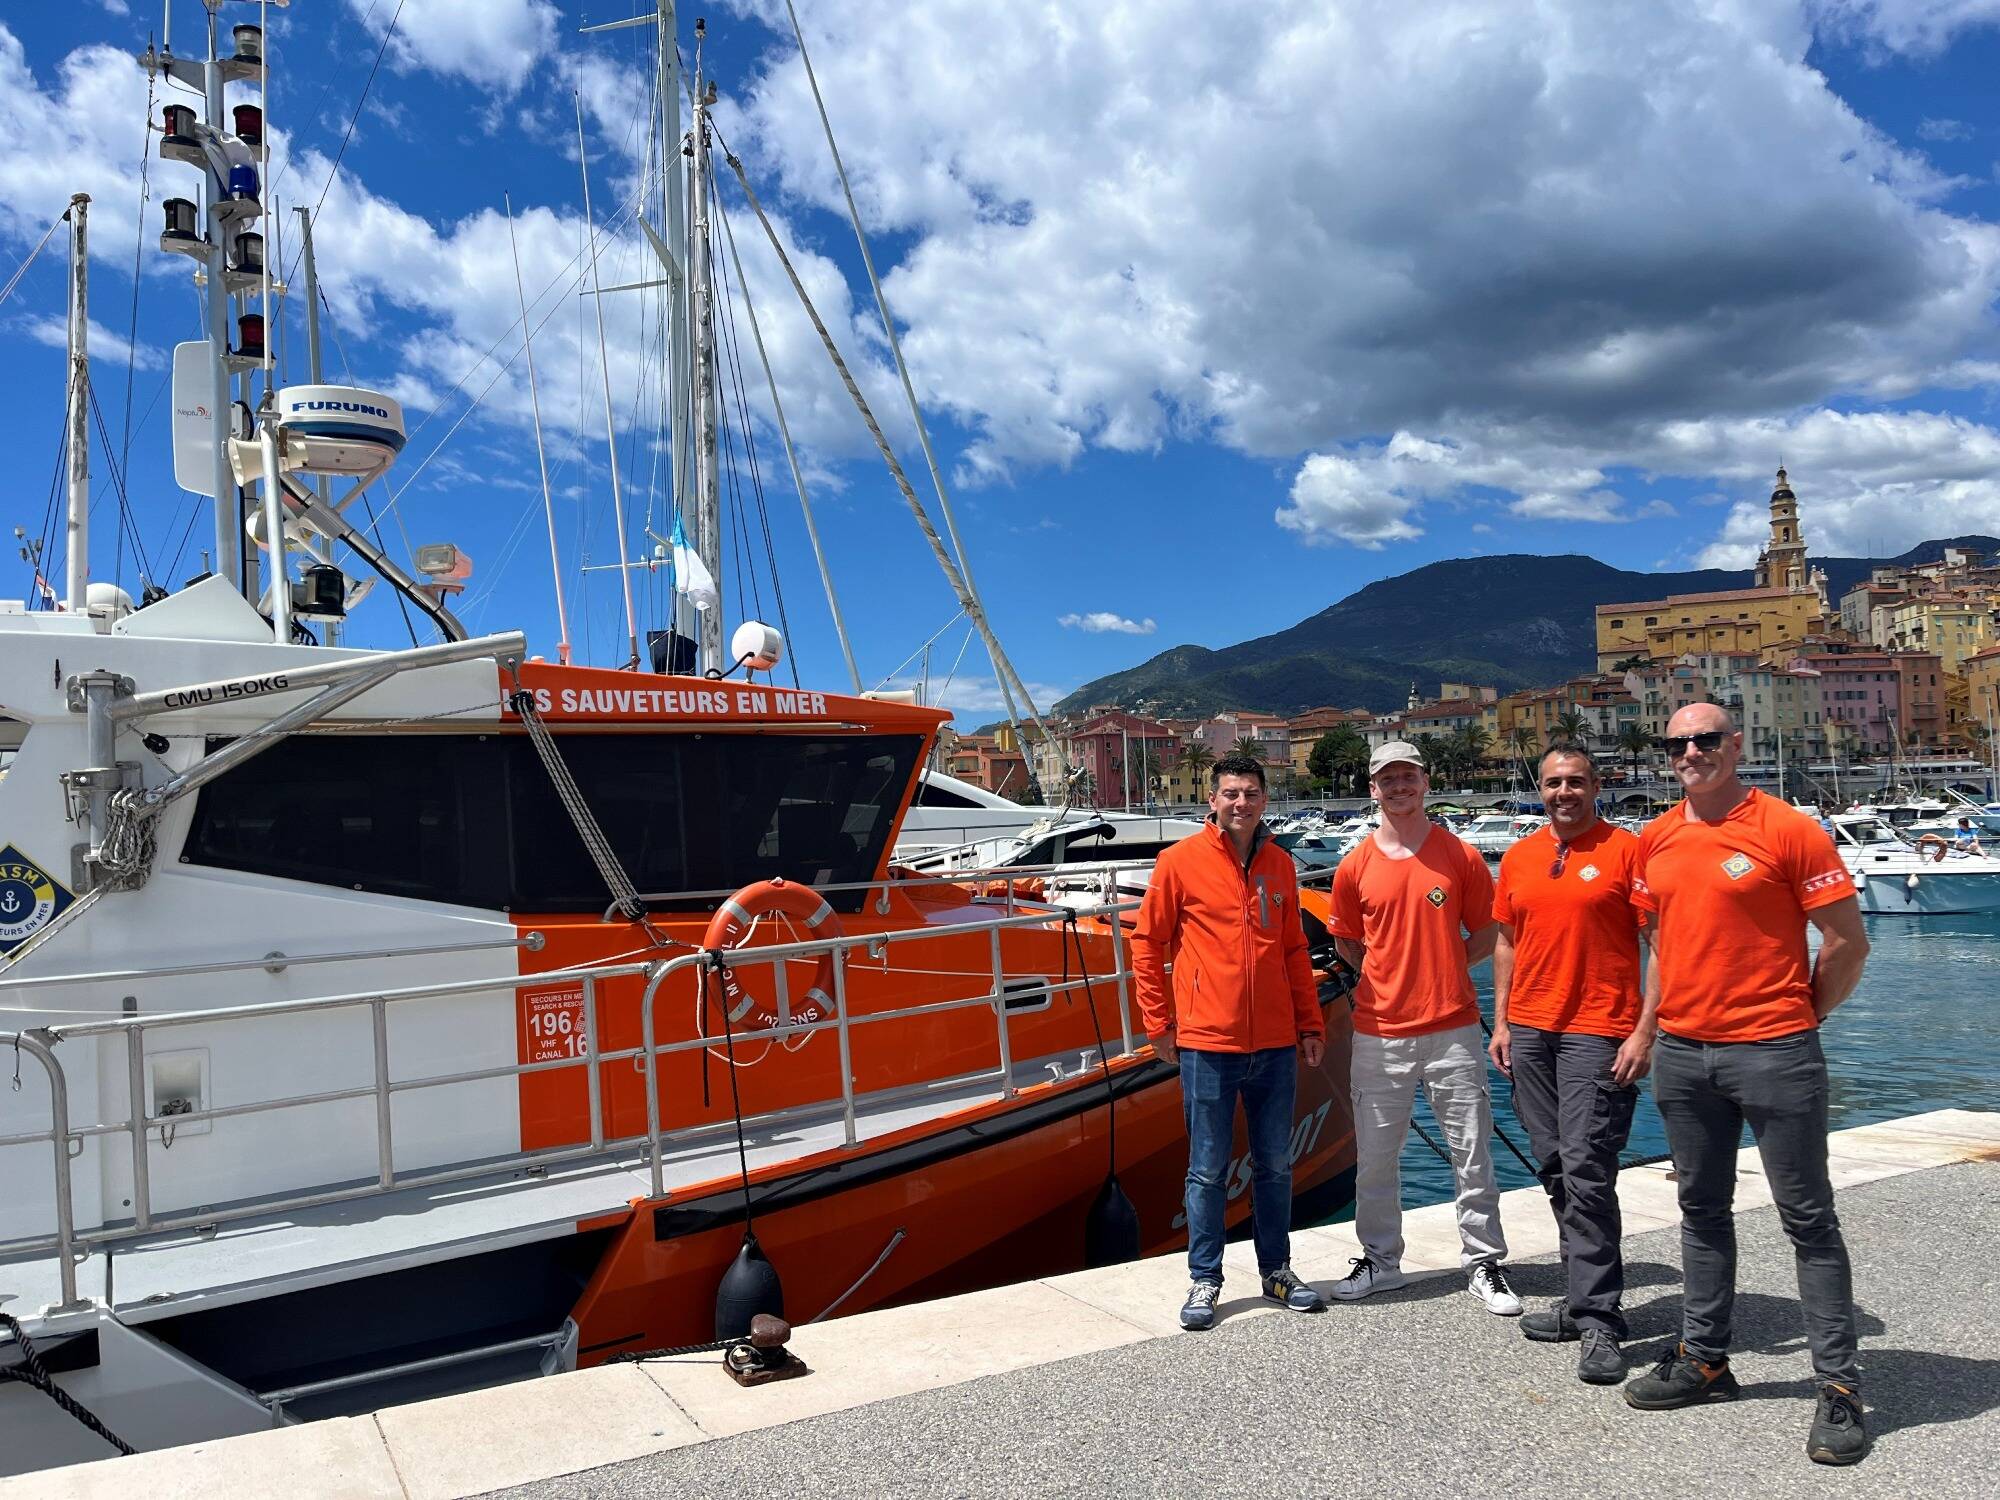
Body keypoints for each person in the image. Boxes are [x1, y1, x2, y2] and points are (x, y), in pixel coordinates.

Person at [1624, 704, 1872, 1467]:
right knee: (1700, 1210)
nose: (1691, 752)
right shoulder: (1657, 837)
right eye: (1678, 743)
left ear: (1736, 745)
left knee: (1808, 1219)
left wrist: (1803, 1017)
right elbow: (1661, 942)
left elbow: (1845, 942)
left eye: (1705, 740)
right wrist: (1651, 1026)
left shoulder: (1788, 828)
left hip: (1773, 1049)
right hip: (1685, 1053)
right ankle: (1706, 1356)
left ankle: (1838, 1386)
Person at [1132, 752, 1327, 1331]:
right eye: (1230, 794)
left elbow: (1294, 950)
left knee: (1274, 1165)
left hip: (1273, 1042)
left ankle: (1277, 1270)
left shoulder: (1279, 865)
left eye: (1251, 793)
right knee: (1208, 1169)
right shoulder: (1179, 862)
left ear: (1264, 800)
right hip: (1206, 1043)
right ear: (1213, 802)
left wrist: (1309, 1023)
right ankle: (1205, 1278)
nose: (1241, 803)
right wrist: (1158, 1024)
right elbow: (1148, 944)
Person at [1326, 741, 1520, 1316]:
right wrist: (1392, 977)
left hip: (1453, 1028)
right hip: (1378, 1031)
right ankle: (1381, 1262)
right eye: (1389, 780)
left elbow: (1486, 934)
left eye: (1408, 777)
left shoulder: (1457, 855)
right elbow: (1346, 941)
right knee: (1377, 1156)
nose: (1399, 787)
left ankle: (1484, 1261)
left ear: (1425, 782)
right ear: (1373, 790)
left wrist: (1441, 970)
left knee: (1472, 1151)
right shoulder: (1354, 864)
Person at [1489, 748, 1653, 1384]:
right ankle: (1582, 1297)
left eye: (1576, 782)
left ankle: (1600, 1319)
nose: (1564, 792)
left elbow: (1658, 941)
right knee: (1555, 1164)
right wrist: (1502, 1022)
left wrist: (1646, 1030)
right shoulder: (1522, 855)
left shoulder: (1626, 851)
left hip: (1599, 1031)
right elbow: (1506, 940)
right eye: (1554, 782)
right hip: (1530, 1029)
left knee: (1588, 1169)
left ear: (1597, 786)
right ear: (1540, 787)